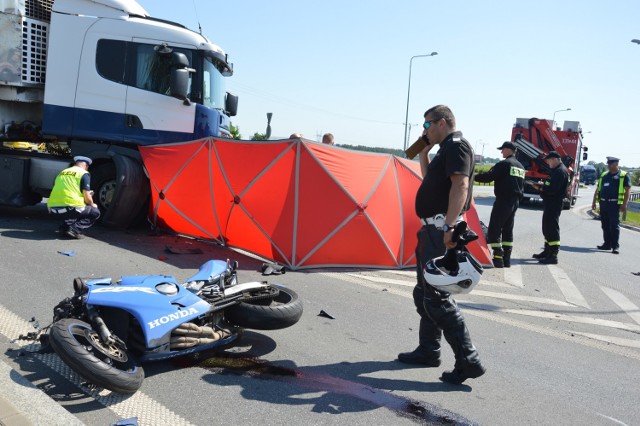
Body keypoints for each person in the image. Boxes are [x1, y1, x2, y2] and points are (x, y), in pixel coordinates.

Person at [397, 105, 485, 385]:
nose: (424, 130)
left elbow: (460, 187)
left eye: (427, 125)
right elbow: (432, 185)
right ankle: (428, 350)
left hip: (441, 231)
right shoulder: (443, 149)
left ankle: (468, 360)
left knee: (437, 299)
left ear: (442, 123)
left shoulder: (457, 146)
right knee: (424, 293)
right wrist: (423, 154)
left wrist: (448, 226)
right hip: (431, 231)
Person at [473, 142, 525, 267]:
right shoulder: (520, 166)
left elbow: (489, 177)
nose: (501, 152)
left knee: (494, 229)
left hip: (504, 200)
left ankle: (498, 257)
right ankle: (506, 259)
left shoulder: (504, 164)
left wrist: (473, 176)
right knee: (508, 229)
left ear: (509, 150)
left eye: (503, 150)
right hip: (515, 201)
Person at [47, 156, 100, 239]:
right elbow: (87, 197)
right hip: (69, 209)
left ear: (75, 164)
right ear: (86, 166)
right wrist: (93, 204)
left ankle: (64, 228)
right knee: (94, 212)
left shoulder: (62, 172)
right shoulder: (83, 173)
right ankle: (73, 229)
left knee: (77, 207)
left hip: (53, 210)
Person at [531, 151, 569, 264]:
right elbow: (549, 185)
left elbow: (553, 189)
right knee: (547, 227)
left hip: (554, 203)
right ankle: (547, 251)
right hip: (550, 203)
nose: (547, 162)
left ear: (556, 159)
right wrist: (542, 185)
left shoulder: (560, 171)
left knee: (552, 228)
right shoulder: (556, 171)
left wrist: (539, 188)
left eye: (549, 160)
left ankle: (553, 255)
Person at [592, 156, 631, 254]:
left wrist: (624, 204)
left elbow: (627, 190)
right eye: (608, 164)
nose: (608, 165)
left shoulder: (623, 175)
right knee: (605, 225)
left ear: (616, 164)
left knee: (614, 226)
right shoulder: (604, 175)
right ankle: (607, 244)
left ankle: (615, 246)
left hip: (614, 204)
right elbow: (598, 189)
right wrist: (594, 202)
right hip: (603, 203)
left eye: (610, 164)